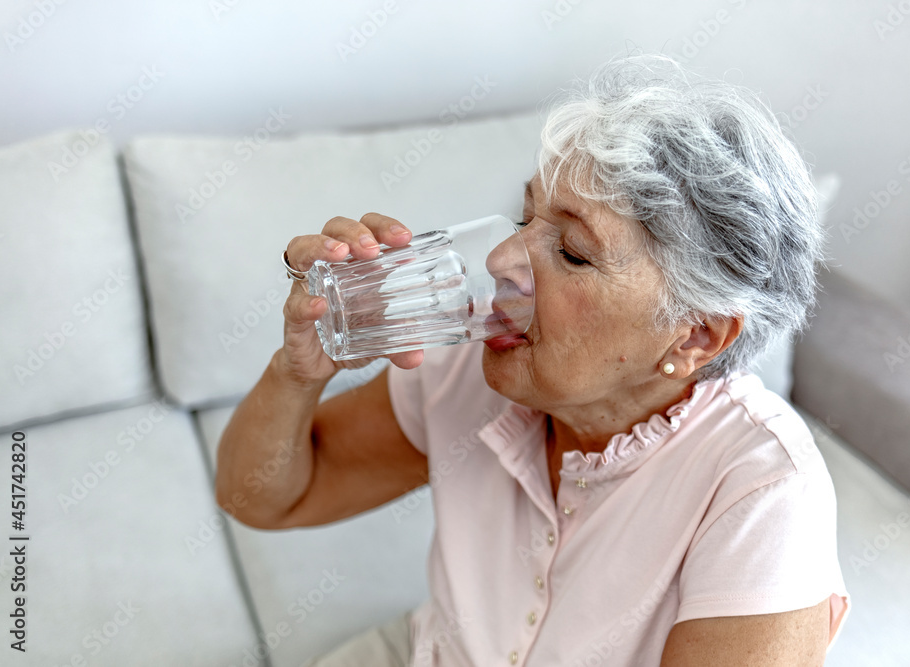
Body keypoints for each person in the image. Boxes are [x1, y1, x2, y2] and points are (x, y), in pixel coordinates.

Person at [215, 54, 850, 666]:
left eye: (573, 252)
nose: (499, 261)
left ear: (694, 338)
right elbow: (263, 499)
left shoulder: (763, 491)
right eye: (526, 218)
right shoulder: (472, 367)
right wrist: (300, 370)